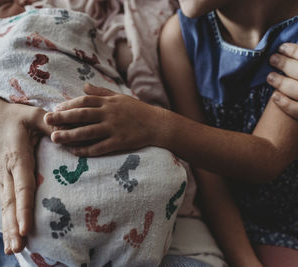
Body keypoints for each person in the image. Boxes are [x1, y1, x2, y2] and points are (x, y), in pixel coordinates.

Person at [42, 0, 298, 266]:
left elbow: (266, 156)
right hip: (238, 225)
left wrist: (156, 125)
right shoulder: (179, 37)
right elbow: (208, 173)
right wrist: (244, 259)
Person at [0, 1, 188, 266]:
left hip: (129, 132)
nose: (22, 3)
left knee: (164, 175)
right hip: (44, 164)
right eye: (6, 3)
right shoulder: (5, 29)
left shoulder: (177, 23)